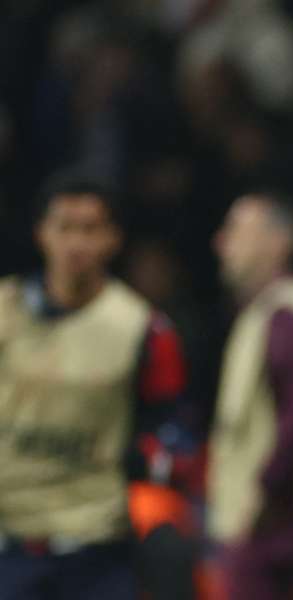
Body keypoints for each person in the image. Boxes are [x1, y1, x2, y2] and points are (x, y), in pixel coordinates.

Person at [0, 171, 187, 599]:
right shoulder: (4, 312)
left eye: (90, 229)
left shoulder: (144, 330)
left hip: (96, 553)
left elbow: (168, 429)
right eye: (64, 228)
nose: (76, 244)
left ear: (113, 239)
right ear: (40, 234)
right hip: (9, 550)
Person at [207, 192, 293, 600]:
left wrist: (264, 491)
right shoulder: (269, 311)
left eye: (236, 229)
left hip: (278, 533)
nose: (221, 242)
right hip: (274, 527)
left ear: (279, 242)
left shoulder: (286, 313)